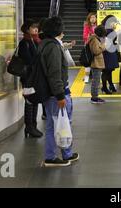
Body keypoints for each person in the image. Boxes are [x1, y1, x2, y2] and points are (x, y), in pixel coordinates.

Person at [40, 17, 79, 167]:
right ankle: (57, 155)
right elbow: (55, 73)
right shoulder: (53, 47)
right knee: (62, 123)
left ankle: (63, 153)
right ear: (59, 30)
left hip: (48, 93)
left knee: (53, 124)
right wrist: (60, 95)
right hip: (57, 93)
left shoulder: (44, 44)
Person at [18, 19, 43, 138]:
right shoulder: (25, 42)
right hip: (27, 77)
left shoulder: (35, 40)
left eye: (36, 27)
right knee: (29, 101)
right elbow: (28, 60)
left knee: (35, 99)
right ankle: (29, 126)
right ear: (27, 29)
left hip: (34, 76)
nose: (36, 29)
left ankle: (34, 125)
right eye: (33, 27)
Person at [101, 15, 120, 94]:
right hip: (108, 53)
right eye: (113, 22)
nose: (114, 24)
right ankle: (105, 87)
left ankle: (110, 85)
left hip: (108, 52)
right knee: (107, 71)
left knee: (108, 70)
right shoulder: (109, 31)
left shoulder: (103, 28)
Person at [88, 25, 107, 104]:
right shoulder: (94, 40)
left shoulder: (95, 39)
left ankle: (95, 96)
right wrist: (103, 46)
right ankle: (94, 97)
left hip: (97, 63)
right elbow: (96, 51)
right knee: (96, 81)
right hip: (96, 63)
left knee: (96, 80)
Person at [83, 12, 97, 83]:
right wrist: (92, 35)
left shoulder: (98, 25)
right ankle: (86, 76)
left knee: (95, 61)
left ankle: (95, 76)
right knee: (88, 62)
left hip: (96, 46)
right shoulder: (86, 25)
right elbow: (85, 36)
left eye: (94, 17)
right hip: (88, 46)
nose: (93, 19)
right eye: (91, 17)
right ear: (89, 18)